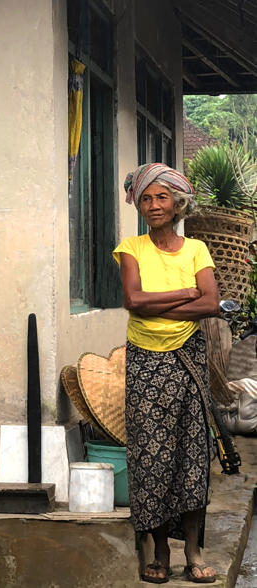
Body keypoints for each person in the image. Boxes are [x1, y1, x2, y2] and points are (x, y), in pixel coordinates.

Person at [113, 163, 220, 584]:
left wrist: (160, 302)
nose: (154, 205)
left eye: (161, 197)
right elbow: (133, 300)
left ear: (177, 203)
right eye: (146, 198)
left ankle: (193, 552)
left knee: (192, 457)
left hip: (188, 359)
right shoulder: (131, 247)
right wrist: (184, 293)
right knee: (151, 457)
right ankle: (159, 553)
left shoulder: (197, 249)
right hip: (145, 361)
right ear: (137, 204)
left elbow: (211, 304)